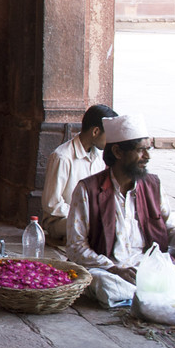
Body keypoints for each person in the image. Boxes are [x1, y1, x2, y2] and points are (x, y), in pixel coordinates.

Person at [65, 115, 175, 306]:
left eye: (148, 149)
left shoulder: (154, 186)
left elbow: (172, 232)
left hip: (151, 269)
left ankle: (151, 294)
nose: (147, 156)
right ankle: (160, 294)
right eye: (140, 150)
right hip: (110, 271)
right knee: (105, 284)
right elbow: (76, 247)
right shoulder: (88, 189)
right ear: (118, 152)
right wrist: (113, 268)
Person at [40, 104, 116, 246]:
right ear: (95, 131)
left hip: (88, 216)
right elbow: (52, 203)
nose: (110, 142)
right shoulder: (62, 157)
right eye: (108, 136)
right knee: (97, 228)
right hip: (59, 220)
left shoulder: (98, 157)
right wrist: (85, 214)